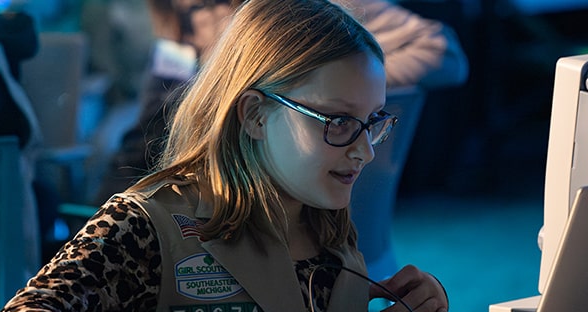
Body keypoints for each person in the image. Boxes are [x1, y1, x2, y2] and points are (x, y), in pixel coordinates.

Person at [0, 0, 448, 312]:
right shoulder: (147, 223)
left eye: (372, 122)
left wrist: (400, 308)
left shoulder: (323, 218)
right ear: (254, 116)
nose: (365, 151)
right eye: (339, 122)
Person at [92, 0, 468, 204]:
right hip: (210, 194)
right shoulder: (178, 26)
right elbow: (152, 127)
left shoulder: (310, 12)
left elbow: (444, 52)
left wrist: (338, 90)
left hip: (288, 194)